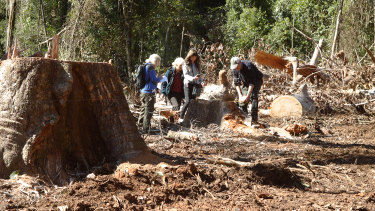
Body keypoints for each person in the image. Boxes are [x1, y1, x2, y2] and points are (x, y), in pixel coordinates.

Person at [230, 56, 263, 125]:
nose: (236, 68)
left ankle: (254, 118)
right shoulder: (235, 69)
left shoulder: (249, 66)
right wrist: (240, 96)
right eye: (235, 67)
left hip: (256, 81)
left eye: (237, 66)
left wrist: (247, 96)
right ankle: (244, 116)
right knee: (242, 102)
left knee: (253, 96)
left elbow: (252, 83)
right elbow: (237, 83)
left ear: (240, 63)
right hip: (246, 82)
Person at [138, 54, 163, 133]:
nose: (158, 64)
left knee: (143, 108)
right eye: (158, 62)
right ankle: (146, 129)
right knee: (149, 110)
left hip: (143, 91)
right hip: (149, 92)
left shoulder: (145, 66)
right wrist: (160, 78)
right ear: (156, 61)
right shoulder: (151, 67)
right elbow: (154, 80)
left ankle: (140, 125)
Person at [179, 49, 205, 123]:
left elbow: (199, 76)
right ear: (189, 56)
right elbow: (185, 75)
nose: (194, 58)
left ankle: (191, 119)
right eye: (192, 56)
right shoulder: (185, 64)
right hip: (187, 84)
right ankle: (180, 118)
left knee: (193, 102)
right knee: (187, 101)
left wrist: (202, 82)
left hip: (195, 85)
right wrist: (193, 78)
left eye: (195, 57)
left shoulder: (197, 65)